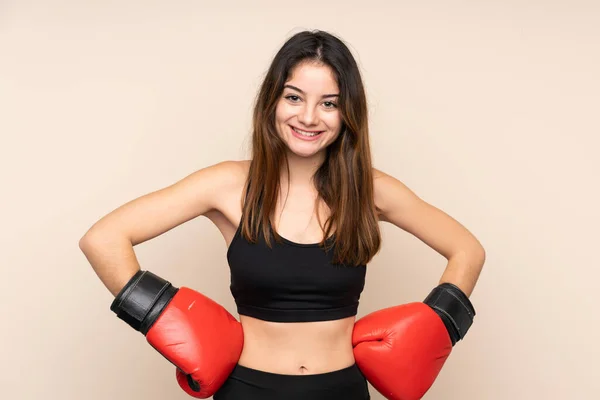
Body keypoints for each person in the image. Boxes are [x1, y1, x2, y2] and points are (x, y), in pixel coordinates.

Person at [79, 30, 486, 400]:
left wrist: (435, 329)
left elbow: (466, 249)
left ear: (348, 115)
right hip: (248, 390)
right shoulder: (227, 185)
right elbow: (103, 238)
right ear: (272, 100)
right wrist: (163, 318)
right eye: (294, 97)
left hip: (340, 390)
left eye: (329, 104)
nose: (308, 117)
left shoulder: (370, 191)